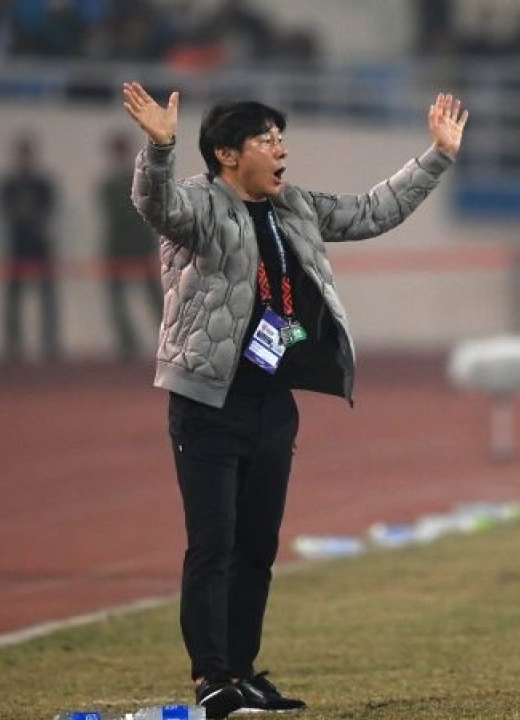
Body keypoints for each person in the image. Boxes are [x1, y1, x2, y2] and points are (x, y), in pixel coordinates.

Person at [121, 81, 467, 718]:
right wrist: (161, 148)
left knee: (257, 548)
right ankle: (212, 679)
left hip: (272, 401)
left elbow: (373, 211)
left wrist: (437, 156)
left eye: (281, 138)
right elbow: (155, 203)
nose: (281, 149)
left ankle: (242, 671)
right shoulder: (199, 206)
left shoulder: (294, 206)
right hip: (208, 402)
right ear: (227, 154)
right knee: (212, 546)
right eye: (265, 140)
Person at [98, 131, 163, 361]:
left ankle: (167, 340)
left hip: (140, 244)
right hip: (118, 245)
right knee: (118, 299)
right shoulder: (109, 185)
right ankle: (127, 343)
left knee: (153, 296)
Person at [0, 132, 59, 363]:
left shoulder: (42, 184)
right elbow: (7, 212)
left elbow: (47, 210)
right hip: (17, 245)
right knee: (14, 298)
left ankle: (49, 343)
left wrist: (31, 217)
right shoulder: (9, 185)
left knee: (47, 296)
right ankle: (13, 345)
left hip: (40, 244)